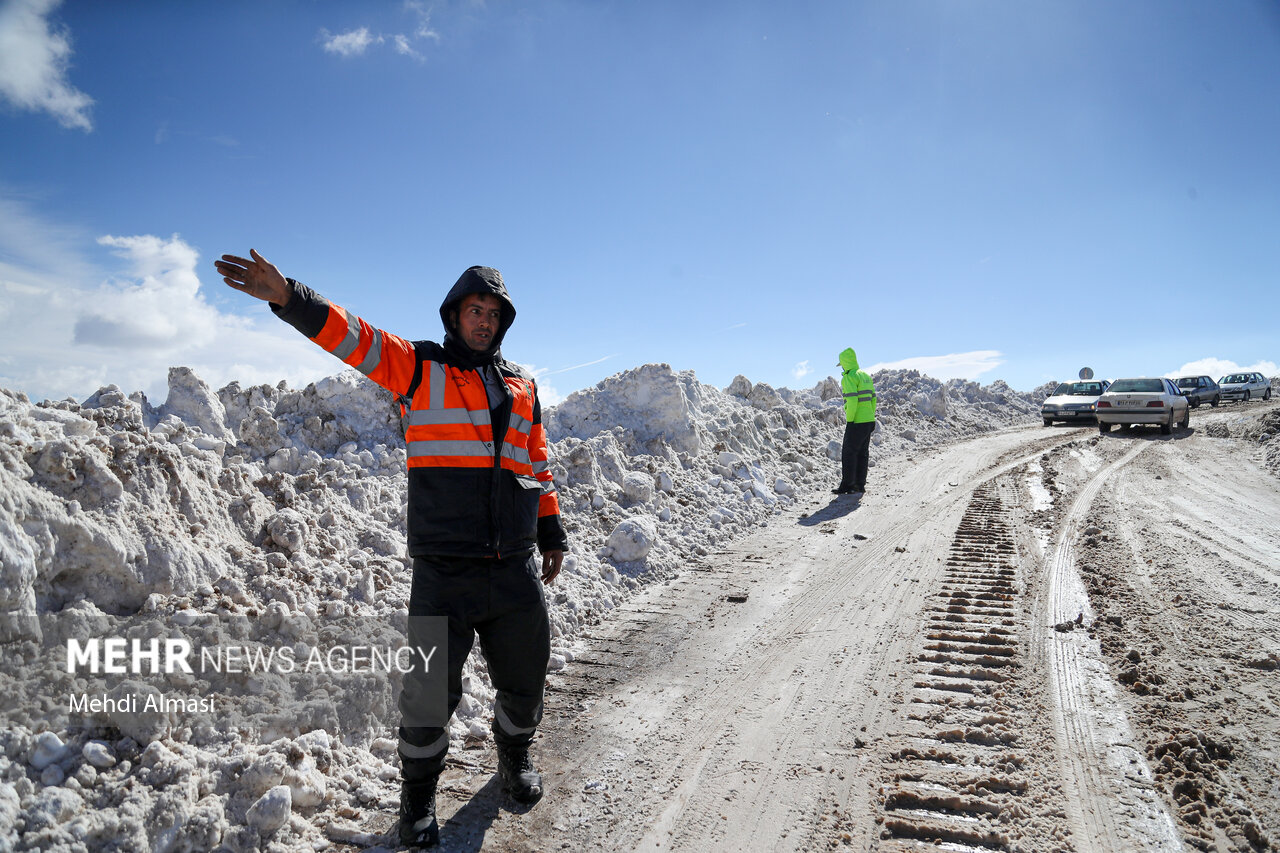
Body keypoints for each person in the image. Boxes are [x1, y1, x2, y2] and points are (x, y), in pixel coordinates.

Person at [215, 249, 568, 848]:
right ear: (454, 315)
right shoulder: (419, 369)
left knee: (526, 674)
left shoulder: (523, 387)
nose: (483, 321)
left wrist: (550, 528)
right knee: (428, 693)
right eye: (473, 310)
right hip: (443, 569)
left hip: (512, 566)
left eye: (493, 314)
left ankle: (513, 760)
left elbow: (534, 462)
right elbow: (358, 338)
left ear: (502, 324)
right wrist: (290, 297)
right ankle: (418, 801)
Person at [834, 347, 876, 495]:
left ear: (845, 362)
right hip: (869, 420)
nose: (843, 367)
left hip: (857, 421)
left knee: (849, 453)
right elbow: (873, 398)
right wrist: (871, 416)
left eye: (842, 364)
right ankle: (859, 484)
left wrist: (850, 420)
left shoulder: (849, 377)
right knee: (863, 453)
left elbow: (852, 401)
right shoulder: (865, 376)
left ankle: (847, 485)